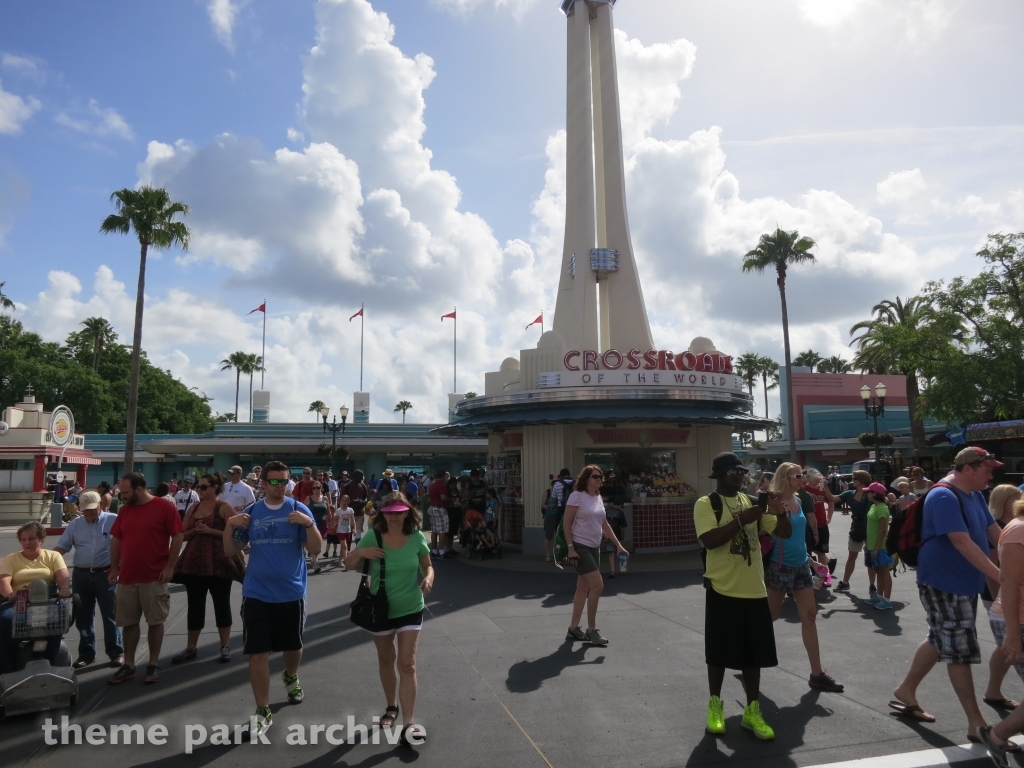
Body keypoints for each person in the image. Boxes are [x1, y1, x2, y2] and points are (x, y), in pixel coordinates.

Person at [890, 447, 1004, 741]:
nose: (991, 474)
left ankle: (905, 691)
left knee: (940, 636)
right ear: (968, 469)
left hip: (963, 580)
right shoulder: (943, 496)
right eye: (987, 469)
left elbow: (995, 532)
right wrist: (1003, 576)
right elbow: (961, 542)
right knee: (960, 649)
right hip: (944, 581)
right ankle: (975, 722)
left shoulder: (975, 494)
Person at [223, 460, 322, 737]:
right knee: (258, 652)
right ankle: (262, 708)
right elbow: (232, 550)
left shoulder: (298, 510)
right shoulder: (251, 513)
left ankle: (291, 675)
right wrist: (231, 525)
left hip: (291, 593)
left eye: (284, 481)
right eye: (274, 482)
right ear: (263, 484)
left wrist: (310, 523)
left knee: (293, 646)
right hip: (256, 593)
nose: (280, 487)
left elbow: (316, 548)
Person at [697, 453, 790, 740]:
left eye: (741, 471)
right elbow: (709, 540)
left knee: (754, 655)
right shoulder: (706, 504)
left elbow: (783, 532)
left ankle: (752, 710)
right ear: (719, 476)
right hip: (722, 589)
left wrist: (780, 510)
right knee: (718, 653)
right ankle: (715, 706)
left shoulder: (751, 502)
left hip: (754, 590)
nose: (739, 476)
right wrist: (741, 521)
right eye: (732, 472)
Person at [345, 491, 433, 746]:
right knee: (387, 659)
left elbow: (428, 565)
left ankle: (409, 724)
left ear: (407, 512)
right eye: (390, 513)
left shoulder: (416, 537)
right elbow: (347, 563)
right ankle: (391, 706)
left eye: (399, 512)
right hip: (379, 609)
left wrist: (428, 577)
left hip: (410, 606)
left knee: (407, 664)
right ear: (383, 513)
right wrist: (363, 553)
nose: (395, 517)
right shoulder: (373, 535)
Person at [765, 464, 844, 692]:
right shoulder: (774, 501)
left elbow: (799, 538)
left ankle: (817, 673)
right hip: (779, 566)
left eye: (802, 475)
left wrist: (811, 561)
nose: (803, 479)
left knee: (809, 615)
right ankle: (748, 654)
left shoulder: (799, 500)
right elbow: (769, 532)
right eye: (798, 476)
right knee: (771, 615)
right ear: (785, 478)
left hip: (801, 565)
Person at [106, 473, 184, 685]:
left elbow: (178, 535)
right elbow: (117, 539)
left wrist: (170, 566)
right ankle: (129, 665)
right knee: (128, 622)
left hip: (154, 576)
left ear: (139, 489)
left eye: (125, 492)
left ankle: (153, 663)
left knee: (155, 621)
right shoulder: (124, 511)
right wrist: (114, 568)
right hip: (128, 577)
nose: (121, 497)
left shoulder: (164, 507)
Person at [172, 472, 244, 664]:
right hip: (194, 564)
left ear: (214, 488)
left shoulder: (224, 507)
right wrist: (195, 530)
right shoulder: (194, 507)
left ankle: (225, 646)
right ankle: (191, 647)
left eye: (203, 487)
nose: (199, 490)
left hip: (219, 564)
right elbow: (182, 534)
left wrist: (211, 531)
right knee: (195, 605)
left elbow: (238, 533)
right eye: (198, 486)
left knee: (221, 604)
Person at [973, 498, 1024, 765]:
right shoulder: (1018, 530)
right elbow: (1010, 582)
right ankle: (995, 735)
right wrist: (1013, 635)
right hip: (1017, 620)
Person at [53, 491, 123, 669]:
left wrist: (118, 566)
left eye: (92, 510)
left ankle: (116, 652)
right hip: (81, 575)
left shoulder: (113, 519)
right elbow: (61, 547)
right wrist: (47, 562)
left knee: (111, 615)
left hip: (105, 574)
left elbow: (126, 543)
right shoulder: (76, 524)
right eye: (85, 511)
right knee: (83, 615)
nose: (89, 514)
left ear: (100, 505)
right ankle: (86, 653)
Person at [563, 465, 627, 647]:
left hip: (594, 546)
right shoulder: (577, 496)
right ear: (586, 478)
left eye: (601, 477)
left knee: (583, 588)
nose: (599, 479)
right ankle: (592, 630)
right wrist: (570, 548)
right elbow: (567, 523)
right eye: (595, 476)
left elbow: (604, 523)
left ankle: (573, 628)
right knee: (597, 586)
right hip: (579, 546)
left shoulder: (598, 496)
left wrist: (619, 545)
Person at [0, 522, 72, 673]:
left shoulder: (53, 556)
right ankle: (8, 668)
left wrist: (64, 588)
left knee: (60, 613)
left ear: (41, 540)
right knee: (5, 620)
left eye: (31, 538)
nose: (27, 542)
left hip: (47, 599)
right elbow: (4, 580)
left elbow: (62, 574)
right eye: (24, 539)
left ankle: (50, 658)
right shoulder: (12, 559)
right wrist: (9, 594)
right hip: (19, 601)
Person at [982, 485, 1024, 712]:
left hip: (1008, 596)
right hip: (997, 591)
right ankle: (998, 732)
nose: (1019, 498)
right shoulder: (1000, 528)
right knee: (1007, 642)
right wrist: (1001, 598)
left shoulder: (1010, 526)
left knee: (1004, 647)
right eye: (1015, 496)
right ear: (1004, 501)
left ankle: (993, 690)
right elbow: (995, 569)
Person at [835, 470, 874, 594]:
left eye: (855, 478)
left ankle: (872, 586)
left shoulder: (871, 493)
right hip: (856, 528)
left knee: (870, 559)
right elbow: (832, 498)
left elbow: (884, 502)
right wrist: (823, 487)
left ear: (862, 479)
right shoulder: (850, 493)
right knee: (851, 556)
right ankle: (845, 583)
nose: (853, 480)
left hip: (870, 529)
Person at [862, 483, 894, 610]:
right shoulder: (873, 507)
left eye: (869, 491)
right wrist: (868, 545)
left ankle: (886, 600)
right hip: (872, 545)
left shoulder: (882, 508)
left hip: (881, 547)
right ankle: (879, 597)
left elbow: (882, 530)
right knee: (879, 572)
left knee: (884, 572)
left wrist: (875, 548)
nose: (867, 493)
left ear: (874, 493)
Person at [803, 469, 838, 571]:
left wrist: (829, 517)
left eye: (818, 479)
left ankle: (824, 576)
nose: (817, 481)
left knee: (822, 552)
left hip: (822, 524)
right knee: (809, 549)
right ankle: (818, 571)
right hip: (809, 525)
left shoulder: (822, 488)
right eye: (815, 479)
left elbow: (831, 502)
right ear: (808, 478)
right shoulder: (805, 489)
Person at [305, 482, 333, 574]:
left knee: (318, 544)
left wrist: (332, 522)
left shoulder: (325, 499)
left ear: (321, 489)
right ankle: (316, 563)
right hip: (311, 525)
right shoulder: (308, 499)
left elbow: (328, 512)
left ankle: (313, 558)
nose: (316, 490)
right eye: (314, 488)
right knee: (315, 544)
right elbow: (303, 511)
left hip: (322, 524)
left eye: (318, 488)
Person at [427, 471, 450, 559]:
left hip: (432, 508)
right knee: (442, 531)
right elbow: (443, 498)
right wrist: (449, 499)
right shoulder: (441, 485)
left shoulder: (433, 485)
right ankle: (441, 552)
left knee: (434, 531)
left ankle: (434, 551)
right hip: (439, 508)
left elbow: (430, 498)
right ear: (444, 476)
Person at [604, 498, 628, 578]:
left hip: (608, 534)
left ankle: (612, 570)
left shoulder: (606, 511)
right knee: (620, 551)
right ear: (620, 505)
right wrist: (623, 535)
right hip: (617, 534)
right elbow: (623, 527)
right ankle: (622, 569)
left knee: (611, 552)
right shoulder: (620, 513)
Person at [542, 479, 560, 562]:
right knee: (549, 536)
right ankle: (548, 555)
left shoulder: (560, 493)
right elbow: (542, 505)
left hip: (558, 516)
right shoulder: (547, 492)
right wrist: (549, 506)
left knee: (559, 537)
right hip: (549, 516)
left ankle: (558, 554)